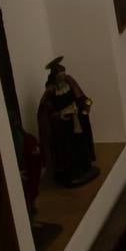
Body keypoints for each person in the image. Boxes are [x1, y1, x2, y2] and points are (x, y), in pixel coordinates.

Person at [37, 57, 96, 187]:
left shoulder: (70, 84)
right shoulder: (50, 94)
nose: (62, 79)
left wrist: (85, 105)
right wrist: (62, 113)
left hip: (77, 122)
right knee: (68, 151)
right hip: (62, 129)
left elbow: (80, 98)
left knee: (81, 145)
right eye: (59, 77)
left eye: (63, 76)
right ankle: (71, 173)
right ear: (54, 78)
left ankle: (85, 167)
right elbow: (47, 115)